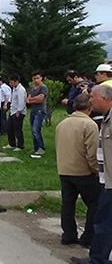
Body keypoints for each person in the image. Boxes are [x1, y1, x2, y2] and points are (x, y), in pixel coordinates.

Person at [71, 85, 112, 264]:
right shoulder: (106, 118)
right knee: (104, 222)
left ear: (104, 99)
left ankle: (97, 260)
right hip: (106, 179)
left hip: (110, 182)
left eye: (93, 98)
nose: (90, 101)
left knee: (103, 223)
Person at [55, 93, 100, 249]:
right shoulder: (90, 125)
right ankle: (88, 237)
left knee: (68, 204)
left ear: (74, 107)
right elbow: (92, 152)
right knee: (94, 204)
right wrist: (96, 170)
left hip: (65, 169)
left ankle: (68, 235)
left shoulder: (62, 124)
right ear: (90, 108)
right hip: (83, 171)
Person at [27, 71, 48, 155]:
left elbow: (40, 100)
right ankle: (36, 147)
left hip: (40, 111)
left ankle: (41, 147)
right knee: (33, 130)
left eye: (37, 78)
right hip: (33, 111)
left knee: (36, 129)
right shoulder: (32, 88)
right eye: (34, 78)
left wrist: (32, 99)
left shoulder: (43, 87)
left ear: (41, 78)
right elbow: (28, 100)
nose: (36, 80)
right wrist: (33, 99)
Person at [4, 74, 27, 151]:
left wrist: (19, 111)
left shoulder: (21, 90)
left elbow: (21, 101)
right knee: (9, 128)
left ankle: (20, 145)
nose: (10, 84)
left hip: (18, 112)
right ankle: (12, 144)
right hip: (12, 111)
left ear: (16, 81)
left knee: (17, 129)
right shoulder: (14, 89)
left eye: (11, 82)